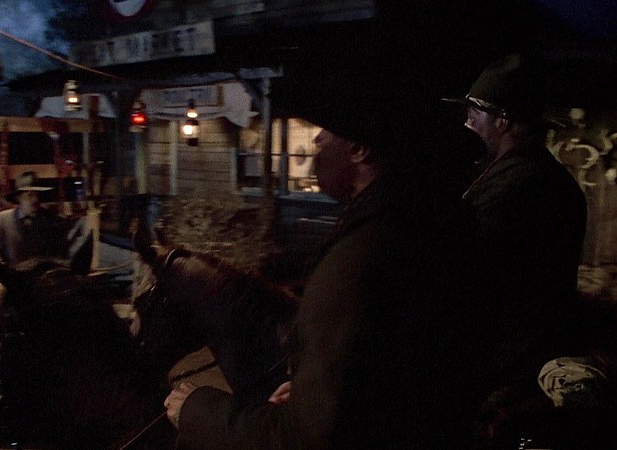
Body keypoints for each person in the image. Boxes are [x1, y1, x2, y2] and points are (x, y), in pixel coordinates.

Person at [164, 85, 484, 449]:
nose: (316, 140)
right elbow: (395, 371)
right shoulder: (429, 221)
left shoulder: (365, 254)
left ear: (359, 149)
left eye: (327, 131)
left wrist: (197, 409)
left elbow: (307, 437)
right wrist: (312, 391)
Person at [443, 54, 589, 399]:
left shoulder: (516, 187)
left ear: (502, 121)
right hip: (526, 358)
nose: (467, 120)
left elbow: (467, 274)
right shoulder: (543, 176)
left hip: (505, 369)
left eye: (475, 112)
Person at [0, 171, 71, 266]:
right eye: (30, 195)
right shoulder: (3, 220)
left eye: (38, 195)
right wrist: (5, 272)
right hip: (12, 274)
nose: (35, 200)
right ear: (18, 198)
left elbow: (62, 255)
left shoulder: (52, 220)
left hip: (44, 274)